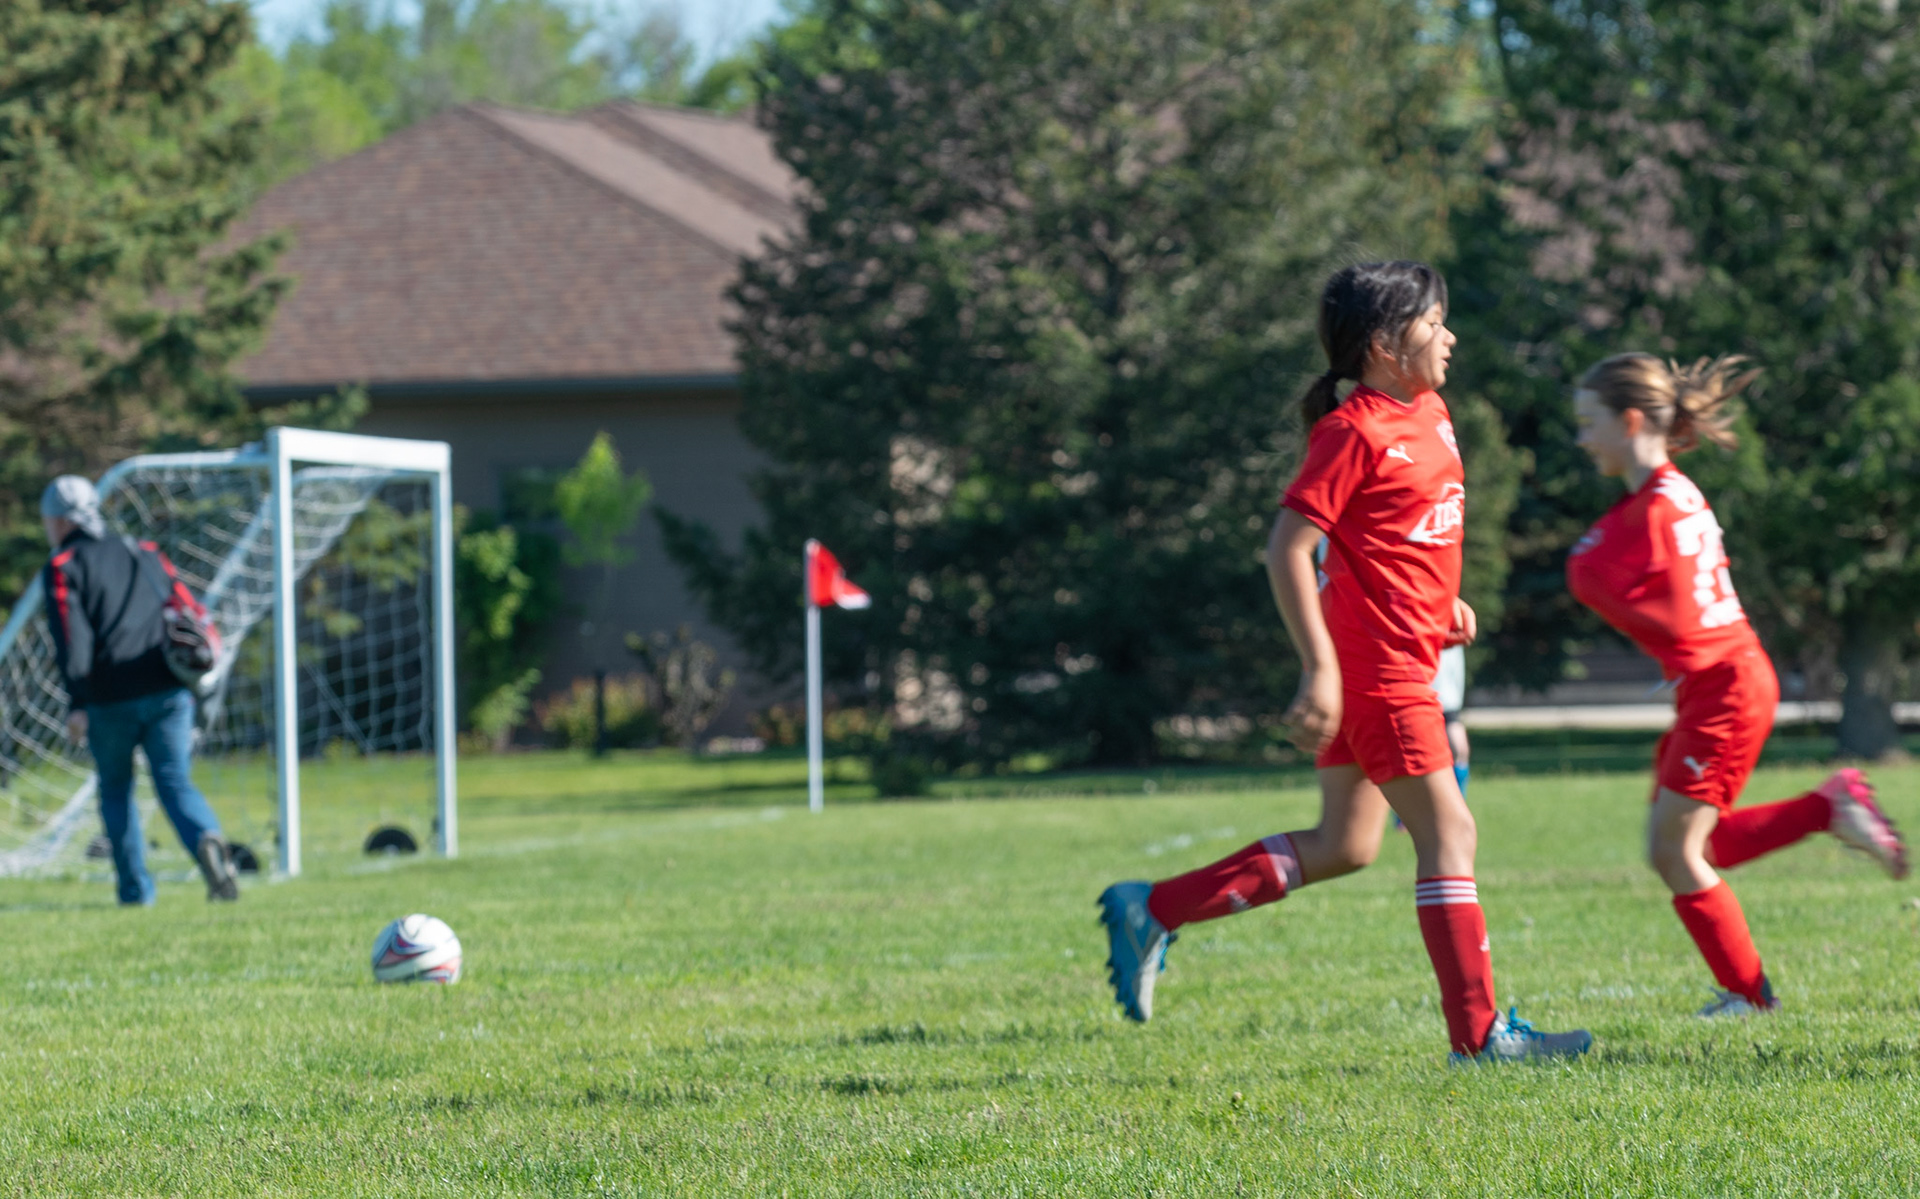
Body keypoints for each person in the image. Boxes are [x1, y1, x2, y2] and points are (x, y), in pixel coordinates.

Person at [1097, 262, 1590, 1063]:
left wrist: (1443, 603)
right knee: (1449, 830)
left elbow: (1406, 532)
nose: (1450, 336)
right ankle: (1479, 1037)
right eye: (1435, 323)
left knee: (1346, 844)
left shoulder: (1430, 411)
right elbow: (1289, 549)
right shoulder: (1351, 430)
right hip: (1374, 670)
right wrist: (1319, 669)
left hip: (1402, 654)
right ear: (1386, 343)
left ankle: (1152, 906)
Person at [1566, 354, 1906, 1017]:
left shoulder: (1654, 509)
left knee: (1674, 849)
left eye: (1589, 423)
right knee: (1700, 843)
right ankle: (1828, 806)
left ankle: (1750, 995)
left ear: (1630, 420)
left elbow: (1597, 574)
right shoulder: (1671, 492)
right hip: (1722, 683)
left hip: (1726, 688)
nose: (1583, 439)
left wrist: (1586, 568)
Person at [39, 475, 240, 905]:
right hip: (169, 690)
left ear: (57, 521)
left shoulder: (63, 567)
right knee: (174, 780)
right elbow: (187, 605)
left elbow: (73, 642)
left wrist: (77, 702)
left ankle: (136, 890)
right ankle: (206, 837)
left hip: (109, 697)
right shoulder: (143, 550)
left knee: (115, 788)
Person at [1433, 644, 1470, 796]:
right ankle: (1403, 818)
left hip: (1448, 698)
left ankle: (1457, 801)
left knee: (1459, 751)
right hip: (1422, 693)